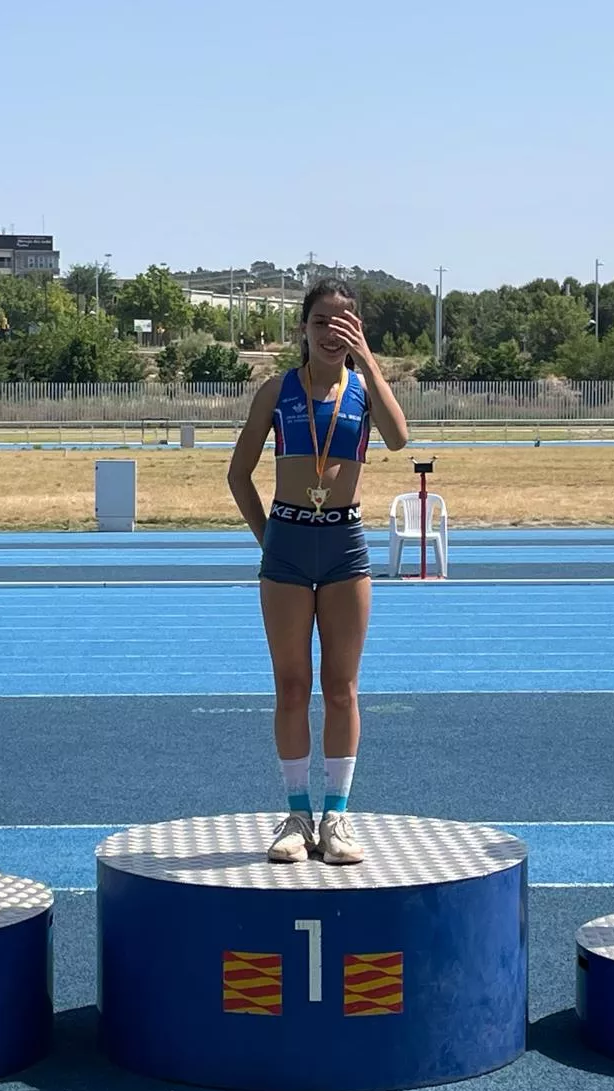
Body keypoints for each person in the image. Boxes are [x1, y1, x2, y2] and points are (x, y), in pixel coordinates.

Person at [228, 280, 409, 865]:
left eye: (345, 322)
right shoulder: (277, 392)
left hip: (344, 546)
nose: (333, 332)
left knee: (341, 688)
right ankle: (296, 813)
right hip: (287, 545)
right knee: (291, 686)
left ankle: (337, 816)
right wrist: (270, 539)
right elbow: (238, 474)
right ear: (302, 330)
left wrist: (371, 362)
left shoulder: (362, 388)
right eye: (322, 321)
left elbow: (399, 438)